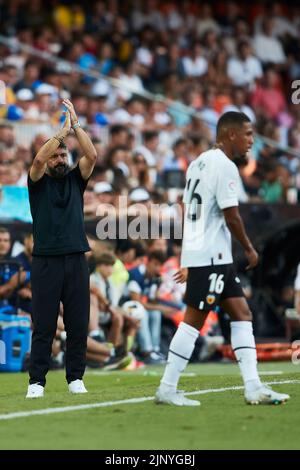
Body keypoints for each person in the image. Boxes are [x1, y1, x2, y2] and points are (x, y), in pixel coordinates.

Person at [155, 111, 290, 406]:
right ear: (231, 134)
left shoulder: (197, 163)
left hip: (211, 255)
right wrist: (250, 249)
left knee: (242, 313)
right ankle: (167, 387)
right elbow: (232, 216)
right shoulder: (225, 166)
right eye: (248, 134)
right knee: (193, 321)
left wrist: (188, 257)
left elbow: (193, 216)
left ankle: (253, 386)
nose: (251, 141)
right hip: (212, 256)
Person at [26, 98, 97, 398]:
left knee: (78, 323)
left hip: (76, 258)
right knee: (43, 324)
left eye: (63, 153)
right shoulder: (37, 181)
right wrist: (60, 133)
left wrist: (76, 126)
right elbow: (38, 162)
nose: (59, 158)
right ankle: (36, 382)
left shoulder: (75, 180)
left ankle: (75, 378)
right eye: (56, 154)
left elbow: (91, 154)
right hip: (45, 260)